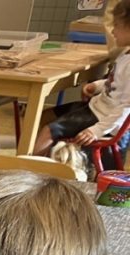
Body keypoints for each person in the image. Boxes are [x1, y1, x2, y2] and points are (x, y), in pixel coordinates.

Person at [33, 0, 130, 156]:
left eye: (117, 25)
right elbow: (118, 83)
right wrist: (97, 86)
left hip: (103, 118)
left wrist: (96, 130)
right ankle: (41, 159)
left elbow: (127, 107)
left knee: (48, 131)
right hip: (96, 108)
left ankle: (31, 168)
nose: (112, 31)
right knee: (45, 116)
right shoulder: (126, 55)